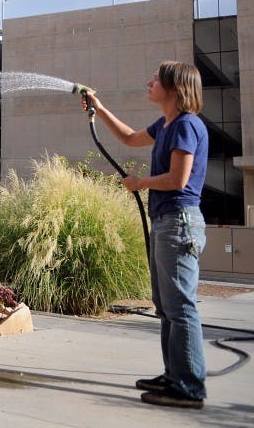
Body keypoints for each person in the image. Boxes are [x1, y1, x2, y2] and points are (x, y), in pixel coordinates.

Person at [85, 60, 208, 410]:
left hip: (179, 222)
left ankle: (189, 387)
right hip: (166, 222)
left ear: (175, 88)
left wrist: (139, 183)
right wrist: (100, 108)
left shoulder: (186, 125)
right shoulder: (166, 123)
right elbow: (128, 137)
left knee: (180, 307)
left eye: (156, 79)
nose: (149, 81)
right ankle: (174, 376)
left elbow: (177, 179)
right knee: (167, 307)